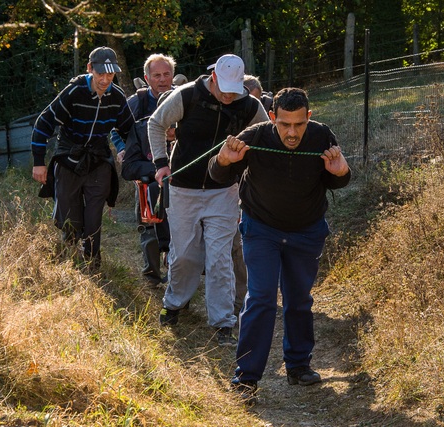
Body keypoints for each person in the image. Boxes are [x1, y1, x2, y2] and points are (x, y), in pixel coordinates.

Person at [207, 87, 351, 404]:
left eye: (299, 124)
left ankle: (298, 366)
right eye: (284, 124)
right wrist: (223, 159)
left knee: (299, 299)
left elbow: (336, 178)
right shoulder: (255, 136)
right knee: (261, 298)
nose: (291, 132)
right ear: (273, 117)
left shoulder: (322, 135)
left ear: (308, 118)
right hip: (262, 229)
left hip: (306, 231)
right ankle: (246, 378)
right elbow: (219, 175)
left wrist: (342, 172)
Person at [148, 54, 268, 347]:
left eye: (233, 90)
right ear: (213, 78)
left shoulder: (250, 105)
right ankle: (174, 303)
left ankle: (223, 323)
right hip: (183, 188)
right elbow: (155, 123)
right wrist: (161, 163)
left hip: (223, 191)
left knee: (219, 258)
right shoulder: (187, 95)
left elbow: (266, 135)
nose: (228, 96)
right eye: (223, 89)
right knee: (186, 254)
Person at [32, 46, 135, 268]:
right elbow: (44, 123)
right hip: (70, 154)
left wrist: (135, 155)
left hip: (98, 158)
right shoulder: (73, 92)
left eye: (110, 74)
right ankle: (69, 253)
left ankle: (92, 260)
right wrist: (39, 162)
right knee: (69, 213)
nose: (106, 79)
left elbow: (128, 130)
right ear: (90, 69)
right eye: (101, 74)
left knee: (94, 212)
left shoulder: (117, 97)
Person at [119, 54, 177, 285]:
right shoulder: (136, 104)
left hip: (180, 181)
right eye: (157, 75)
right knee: (149, 225)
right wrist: (123, 148)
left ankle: (178, 277)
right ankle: (152, 273)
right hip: (148, 172)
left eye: (166, 74)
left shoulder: (185, 98)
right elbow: (118, 129)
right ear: (147, 78)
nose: (162, 79)